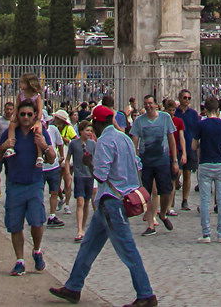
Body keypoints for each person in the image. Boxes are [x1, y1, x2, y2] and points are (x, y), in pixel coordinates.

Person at [48, 103, 159, 307]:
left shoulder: (105, 141)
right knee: (88, 245)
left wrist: (90, 161)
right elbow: (138, 164)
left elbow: (100, 174)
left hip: (111, 201)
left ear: (98, 123)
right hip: (120, 197)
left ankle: (146, 294)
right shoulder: (124, 138)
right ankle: (73, 286)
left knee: (127, 249)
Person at [0, 99, 50, 275]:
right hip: (15, 183)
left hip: (34, 182)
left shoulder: (40, 132)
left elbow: (53, 158)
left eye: (29, 114)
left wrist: (44, 146)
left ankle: (37, 250)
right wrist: (3, 147)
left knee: (36, 221)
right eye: (22, 114)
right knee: (15, 225)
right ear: (18, 115)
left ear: (35, 116)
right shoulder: (10, 134)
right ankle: (20, 260)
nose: (25, 117)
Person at [133, 94, 178, 233]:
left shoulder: (165, 118)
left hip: (162, 161)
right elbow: (135, 140)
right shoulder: (139, 121)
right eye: (146, 103)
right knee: (147, 193)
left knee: (166, 191)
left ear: (156, 104)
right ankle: (150, 224)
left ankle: (163, 213)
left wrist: (175, 160)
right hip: (146, 162)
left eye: (151, 103)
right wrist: (134, 159)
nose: (148, 106)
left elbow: (171, 139)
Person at [194, 97, 221, 243]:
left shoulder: (201, 125)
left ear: (205, 110)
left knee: (205, 201)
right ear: (218, 110)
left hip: (205, 163)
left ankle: (206, 234)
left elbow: (194, 146)